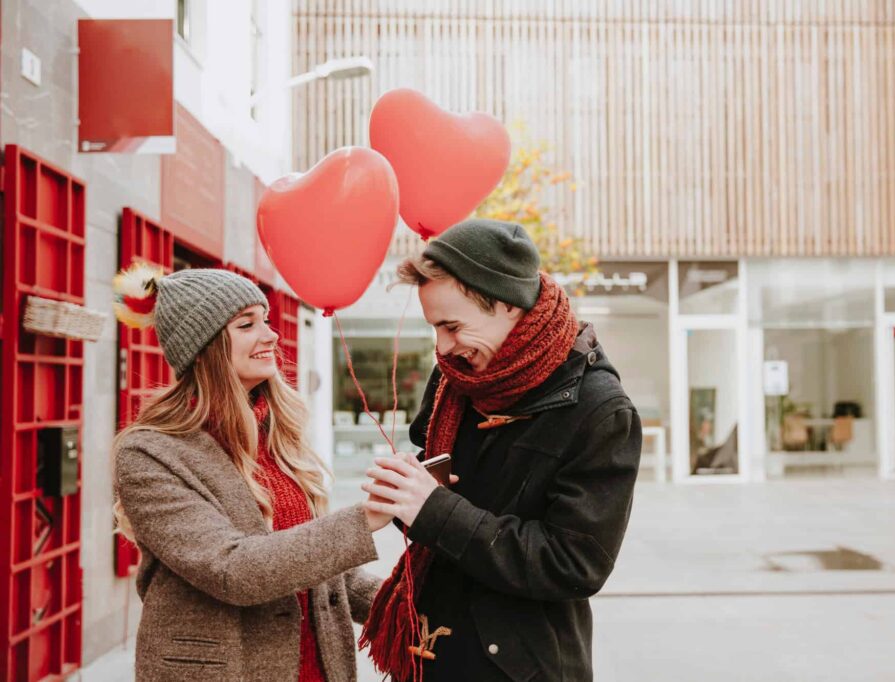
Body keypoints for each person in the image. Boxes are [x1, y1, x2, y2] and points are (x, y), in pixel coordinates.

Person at [360, 219, 642, 681]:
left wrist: (434, 510)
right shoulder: (459, 378)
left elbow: (574, 565)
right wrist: (405, 494)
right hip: (429, 651)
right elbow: (434, 492)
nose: (443, 348)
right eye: (434, 328)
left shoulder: (600, 410)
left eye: (452, 326)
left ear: (509, 305)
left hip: (520, 669)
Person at [111, 265, 387, 681]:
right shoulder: (151, 452)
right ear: (205, 346)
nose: (271, 335)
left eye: (267, 320)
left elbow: (313, 563)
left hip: (316, 668)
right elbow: (233, 570)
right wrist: (368, 518)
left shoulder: (274, 432)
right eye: (247, 324)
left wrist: (401, 603)